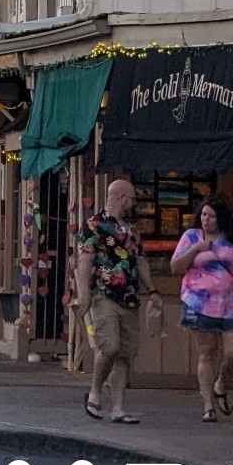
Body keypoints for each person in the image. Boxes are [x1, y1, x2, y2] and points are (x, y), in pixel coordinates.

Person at [73, 177, 158, 424]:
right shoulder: (93, 226)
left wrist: (152, 290)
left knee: (124, 354)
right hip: (103, 293)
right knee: (108, 346)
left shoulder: (131, 230)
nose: (132, 203)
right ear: (121, 198)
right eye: (131, 199)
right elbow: (85, 260)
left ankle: (118, 407)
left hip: (130, 297)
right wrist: (84, 294)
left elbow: (140, 261)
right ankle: (95, 390)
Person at [172, 197, 233, 422]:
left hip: (231, 304)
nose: (206, 219)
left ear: (221, 219)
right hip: (199, 302)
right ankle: (208, 405)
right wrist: (197, 249)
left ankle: (221, 383)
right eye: (204, 214)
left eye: (212, 216)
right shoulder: (191, 237)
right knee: (207, 353)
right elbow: (176, 266)